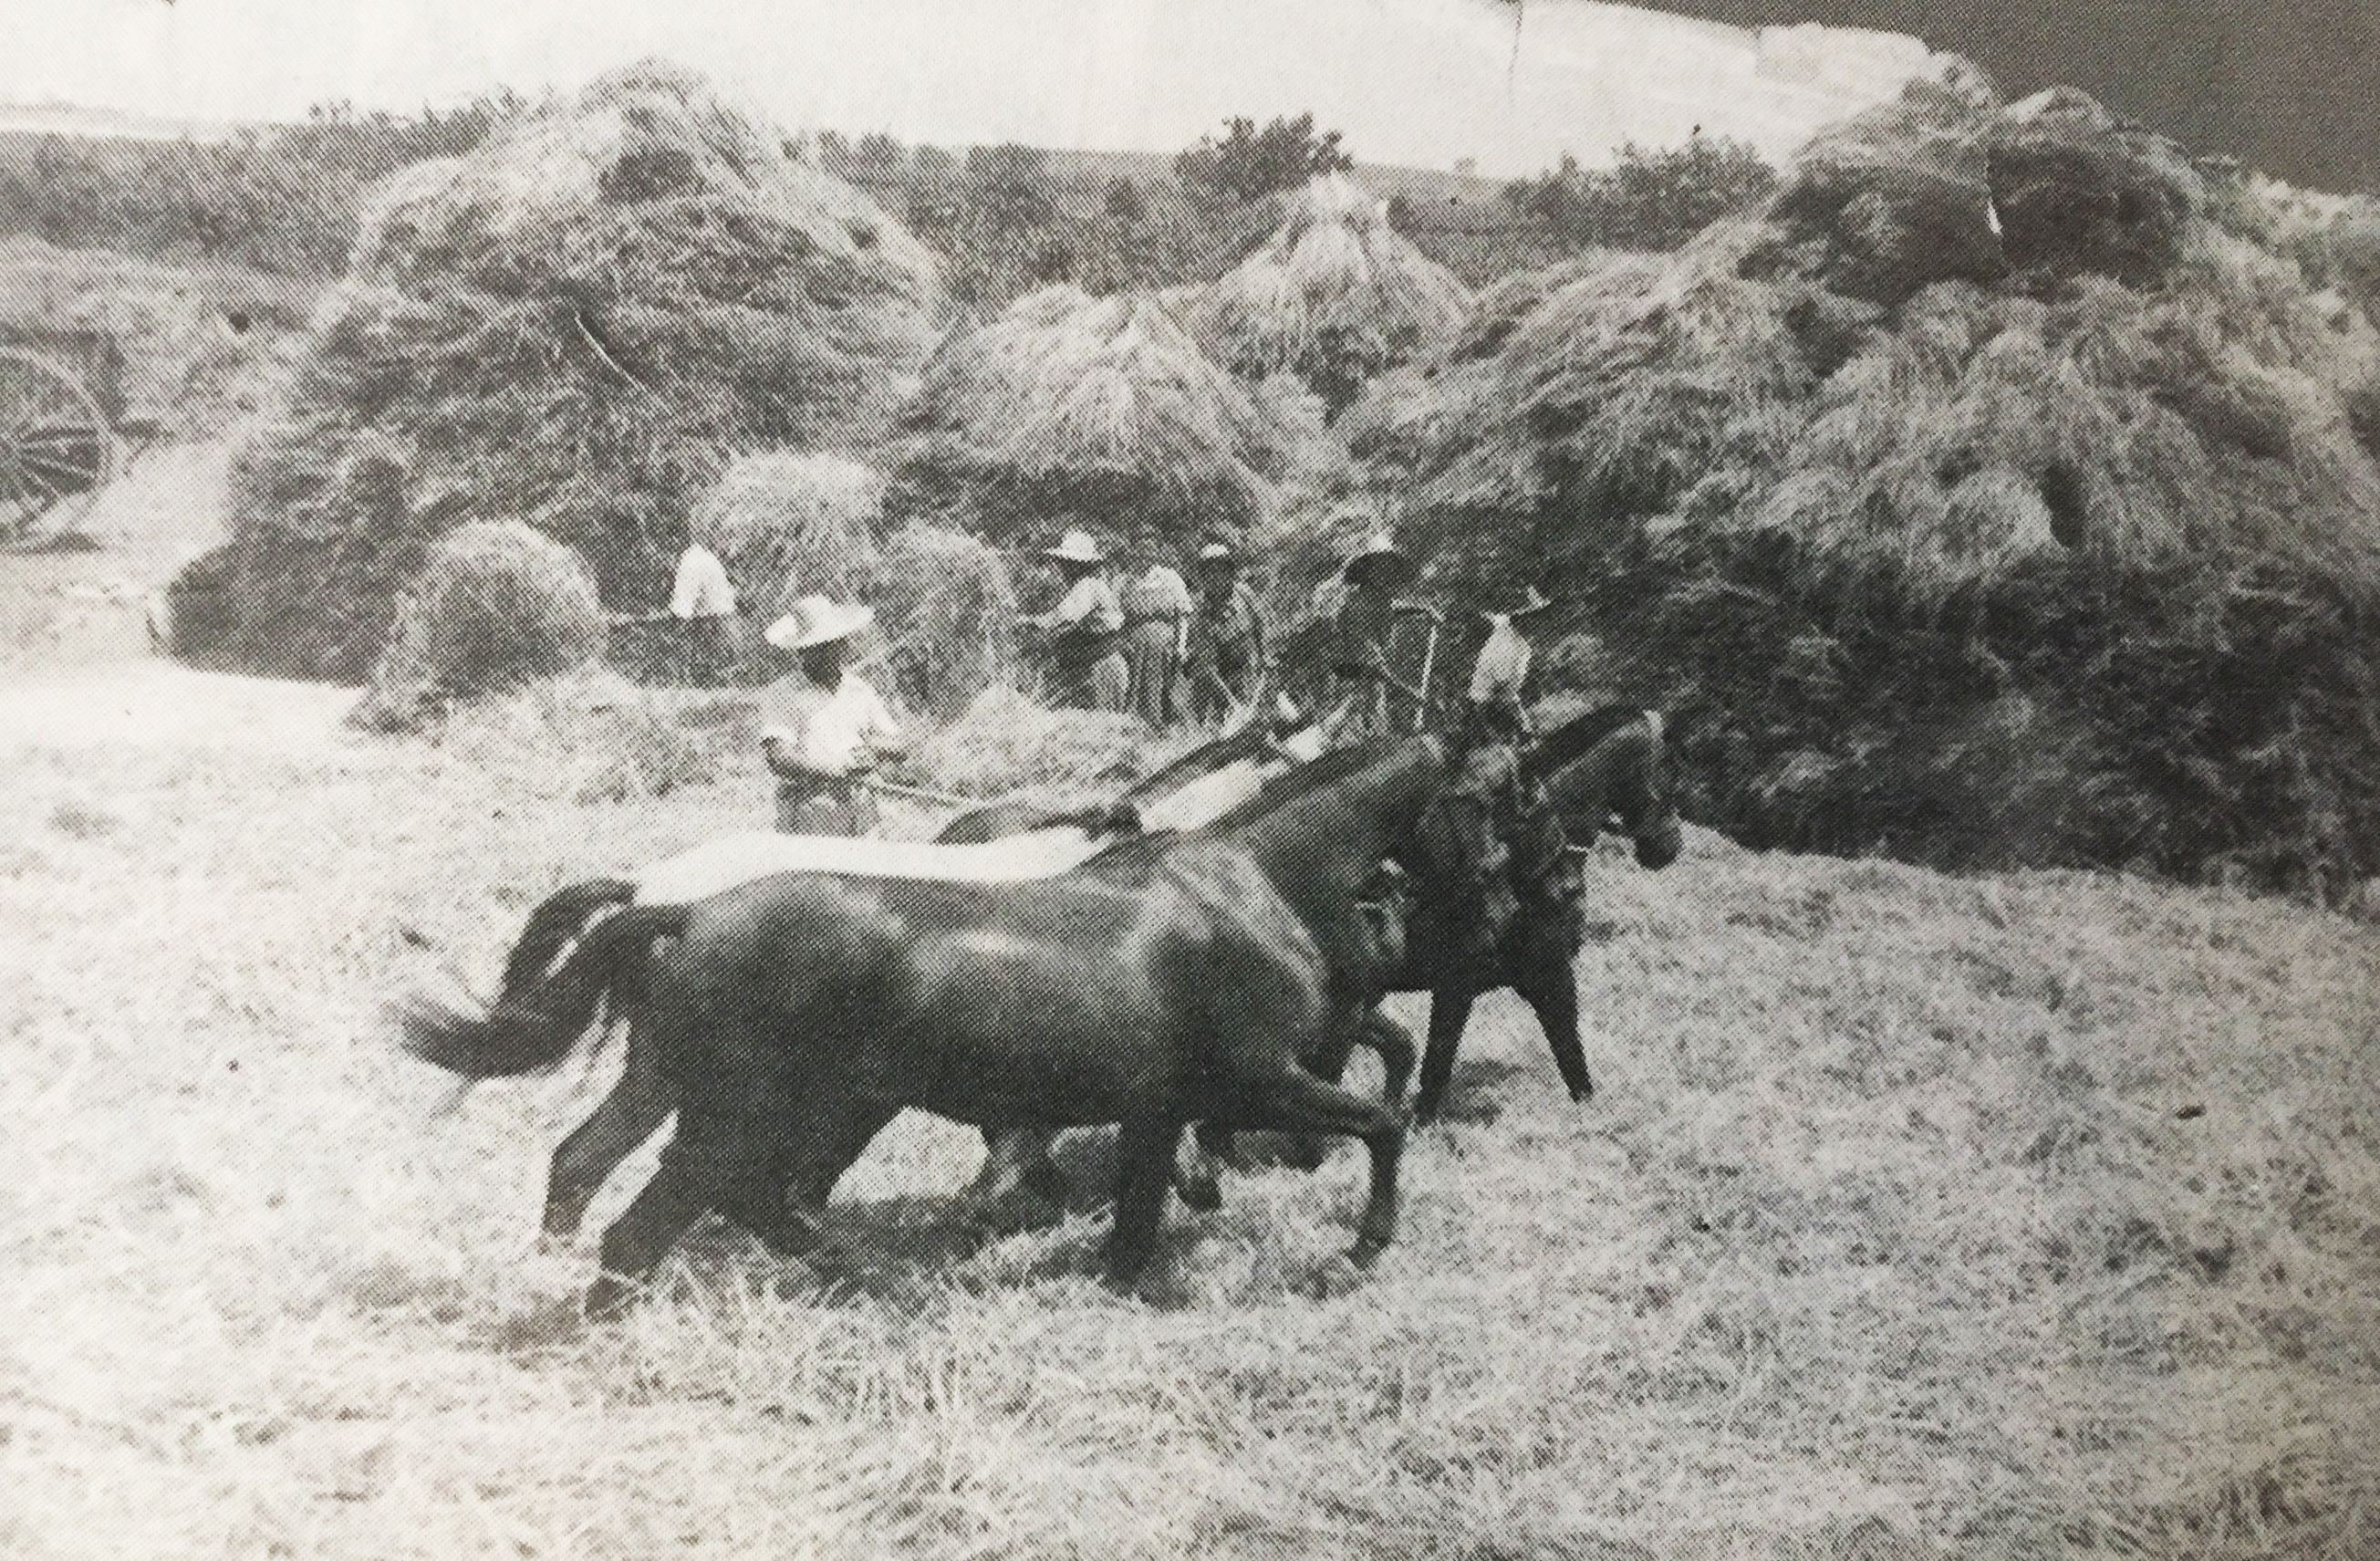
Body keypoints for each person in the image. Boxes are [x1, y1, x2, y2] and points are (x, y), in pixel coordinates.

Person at [758, 594, 907, 836]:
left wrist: (871, 751)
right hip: (810, 808)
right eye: (818, 648)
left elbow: (898, 745)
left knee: (867, 871)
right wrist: (832, 768)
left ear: (843, 643)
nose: (828, 652)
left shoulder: (859, 691)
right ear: (802, 651)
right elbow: (779, 757)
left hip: (859, 807)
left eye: (833, 644)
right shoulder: (783, 693)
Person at [1327, 532, 1436, 741]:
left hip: (1369, 677)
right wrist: (1416, 696)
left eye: (1388, 567)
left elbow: (1392, 609)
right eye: (1379, 567)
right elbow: (1372, 664)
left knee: (1376, 714)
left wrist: (1422, 610)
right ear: (1368, 572)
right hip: (1353, 676)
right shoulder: (1357, 605)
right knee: (1358, 725)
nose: (1385, 573)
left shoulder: (1380, 599)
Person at [1026, 529, 1128, 712]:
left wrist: (1029, 622)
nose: (1061, 568)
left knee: (1101, 724)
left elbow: (1063, 619)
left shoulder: (1087, 586)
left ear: (1077, 565)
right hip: (1099, 660)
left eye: (1065, 564)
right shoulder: (1086, 585)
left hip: (1103, 665)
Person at [1186, 539, 1269, 726]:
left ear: (1230, 572)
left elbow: (1260, 627)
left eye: (1221, 570)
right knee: (1226, 728)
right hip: (1218, 680)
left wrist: (1265, 661)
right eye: (1210, 572)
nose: (1216, 577)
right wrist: (1234, 706)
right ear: (1204, 578)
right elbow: (1208, 667)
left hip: (1248, 670)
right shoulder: (1200, 612)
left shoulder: (1243, 594)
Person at [1463, 583, 1555, 746]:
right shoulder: (1507, 633)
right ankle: (1490, 739)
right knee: (1483, 705)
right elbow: (1504, 691)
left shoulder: (1518, 640)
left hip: (1504, 676)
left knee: (1505, 701)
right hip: (1488, 684)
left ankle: (1523, 736)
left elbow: (1494, 617)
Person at [1120, 534, 1194, 726]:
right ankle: (1136, 729)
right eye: (1140, 549)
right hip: (1135, 647)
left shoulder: (1170, 578)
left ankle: (1161, 729)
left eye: (1150, 548)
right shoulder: (1127, 581)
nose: (1145, 553)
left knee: (1162, 688)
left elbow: (1183, 615)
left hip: (1164, 646)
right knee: (1135, 689)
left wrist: (1181, 646)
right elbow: (1119, 618)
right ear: (1134, 552)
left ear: (1157, 552)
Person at [668, 536, 739, 687]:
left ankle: (704, 674)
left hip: (710, 619)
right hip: (708, 620)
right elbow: (685, 606)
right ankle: (696, 675)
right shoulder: (698, 560)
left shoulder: (706, 560)